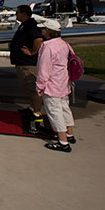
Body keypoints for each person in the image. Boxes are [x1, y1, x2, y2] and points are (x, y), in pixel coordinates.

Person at [35, 20, 76, 152]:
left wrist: (40, 87)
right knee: (65, 108)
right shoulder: (65, 44)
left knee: (54, 112)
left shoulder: (48, 47)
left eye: (43, 29)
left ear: (48, 31)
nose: (41, 31)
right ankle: (69, 134)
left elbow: (43, 70)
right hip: (64, 83)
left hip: (52, 86)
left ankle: (63, 142)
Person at [10, 5, 44, 124]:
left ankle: (37, 113)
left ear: (24, 14)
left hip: (28, 64)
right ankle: (31, 109)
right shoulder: (25, 25)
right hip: (23, 63)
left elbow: (38, 40)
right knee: (29, 89)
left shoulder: (30, 26)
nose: (16, 15)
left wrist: (32, 52)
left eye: (17, 13)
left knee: (34, 90)